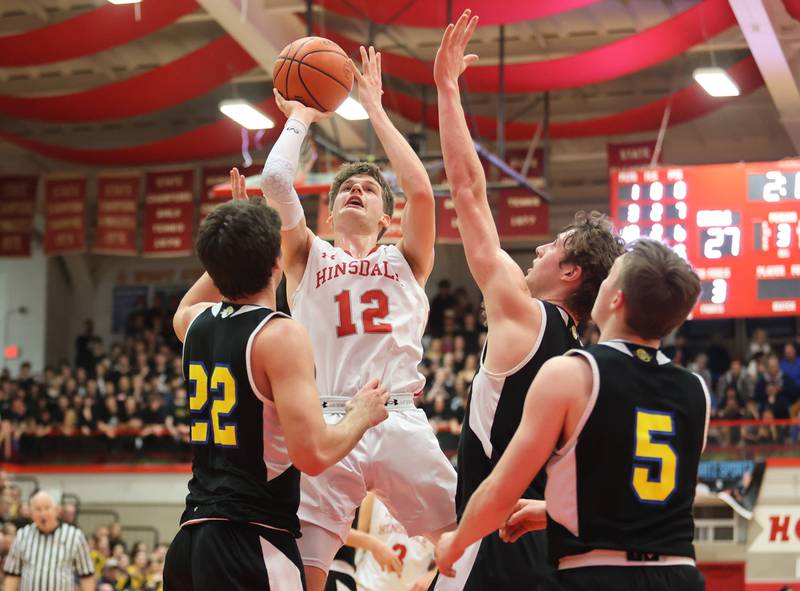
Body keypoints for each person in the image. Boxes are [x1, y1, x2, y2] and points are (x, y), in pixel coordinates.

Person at [431, 10, 625, 590]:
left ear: (570, 270)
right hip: (550, 552)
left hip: (490, 542)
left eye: (553, 245)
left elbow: (467, 190)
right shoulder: (585, 366)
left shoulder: (524, 314)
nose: (538, 247)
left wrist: (446, 89)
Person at [253, 44, 457, 591]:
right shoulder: (306, 254)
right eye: (347, 187)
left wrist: (375, 108)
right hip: (326, 422)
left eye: (368, 189)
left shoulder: (406, 258)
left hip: (397, 417)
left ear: (387, 219)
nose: (356, 190)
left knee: (464, 543)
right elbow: (275, 183)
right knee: (309, 573)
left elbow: (421, 190)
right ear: (329, 210)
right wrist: (300, 115)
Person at [436, 239, 709, 591]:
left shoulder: (573, 373)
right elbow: (636, 502)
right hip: (679, 573)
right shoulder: (696, 391)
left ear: (615, 299)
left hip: (596, 572)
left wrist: (455, 543)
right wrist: (552, 512)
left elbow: (502, 491)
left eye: (612, 277)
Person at [163, 185, 390, 590]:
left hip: (190, 540)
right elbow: (314, 454)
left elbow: (186, 304)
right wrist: (361, 414)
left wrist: (232, 235)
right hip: (252, 540)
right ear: (276, 261)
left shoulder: (194, 323)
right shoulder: (279, 335)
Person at [3, 491, 95, 591]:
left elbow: (86, 576)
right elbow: (12, 575)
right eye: (37, 509)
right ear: (31, 513)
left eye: (47, 508)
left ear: (56, 510)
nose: (43, 513)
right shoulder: (22, 535)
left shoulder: (74, 536)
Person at [354, 493, 436, 591]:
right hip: (367, 585)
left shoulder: (439, 507)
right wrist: (375, 545)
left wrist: (433, 575)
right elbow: (352, 538)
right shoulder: (374, 494)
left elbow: (451, 554)